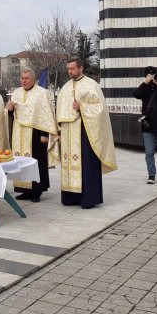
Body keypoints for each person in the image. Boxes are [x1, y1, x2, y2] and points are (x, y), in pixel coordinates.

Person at [56, 58, 118, 209]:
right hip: (68, 133)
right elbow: (59, 110)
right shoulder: (65, 87)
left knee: (86, 164)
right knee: (69, 164)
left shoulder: (91, 85)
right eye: (68, 69)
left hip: (85, 132)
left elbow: (100, 109)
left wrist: (82, 107)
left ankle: (88, 198)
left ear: (81, 68)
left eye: (72, 68)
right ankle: (71, 198)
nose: (70, 71)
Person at [6, 69, 58, 202]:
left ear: (34, 80)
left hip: (35, 133)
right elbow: (10, 113)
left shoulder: (42, 93)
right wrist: (10, 110)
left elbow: (46, 115)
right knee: (20, 160)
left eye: (27, 78)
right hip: (19, 133)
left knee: (36, 161)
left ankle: (36, 191)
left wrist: (45, 134)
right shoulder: (16, 93)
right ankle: (24, 190)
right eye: (22, 78)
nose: (24, 81)